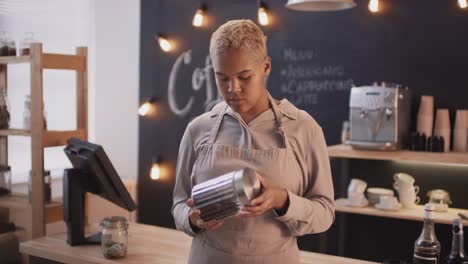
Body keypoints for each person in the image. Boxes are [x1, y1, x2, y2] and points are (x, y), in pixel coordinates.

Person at [172, 19, 335, 264]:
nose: (232, 89)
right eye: (222, 78)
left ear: (266, 66)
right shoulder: (198, 129)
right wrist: (192, 219)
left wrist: (282, 199)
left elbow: (325, 213)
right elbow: (179, 204)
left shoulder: (304, 128)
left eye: (244, 76)